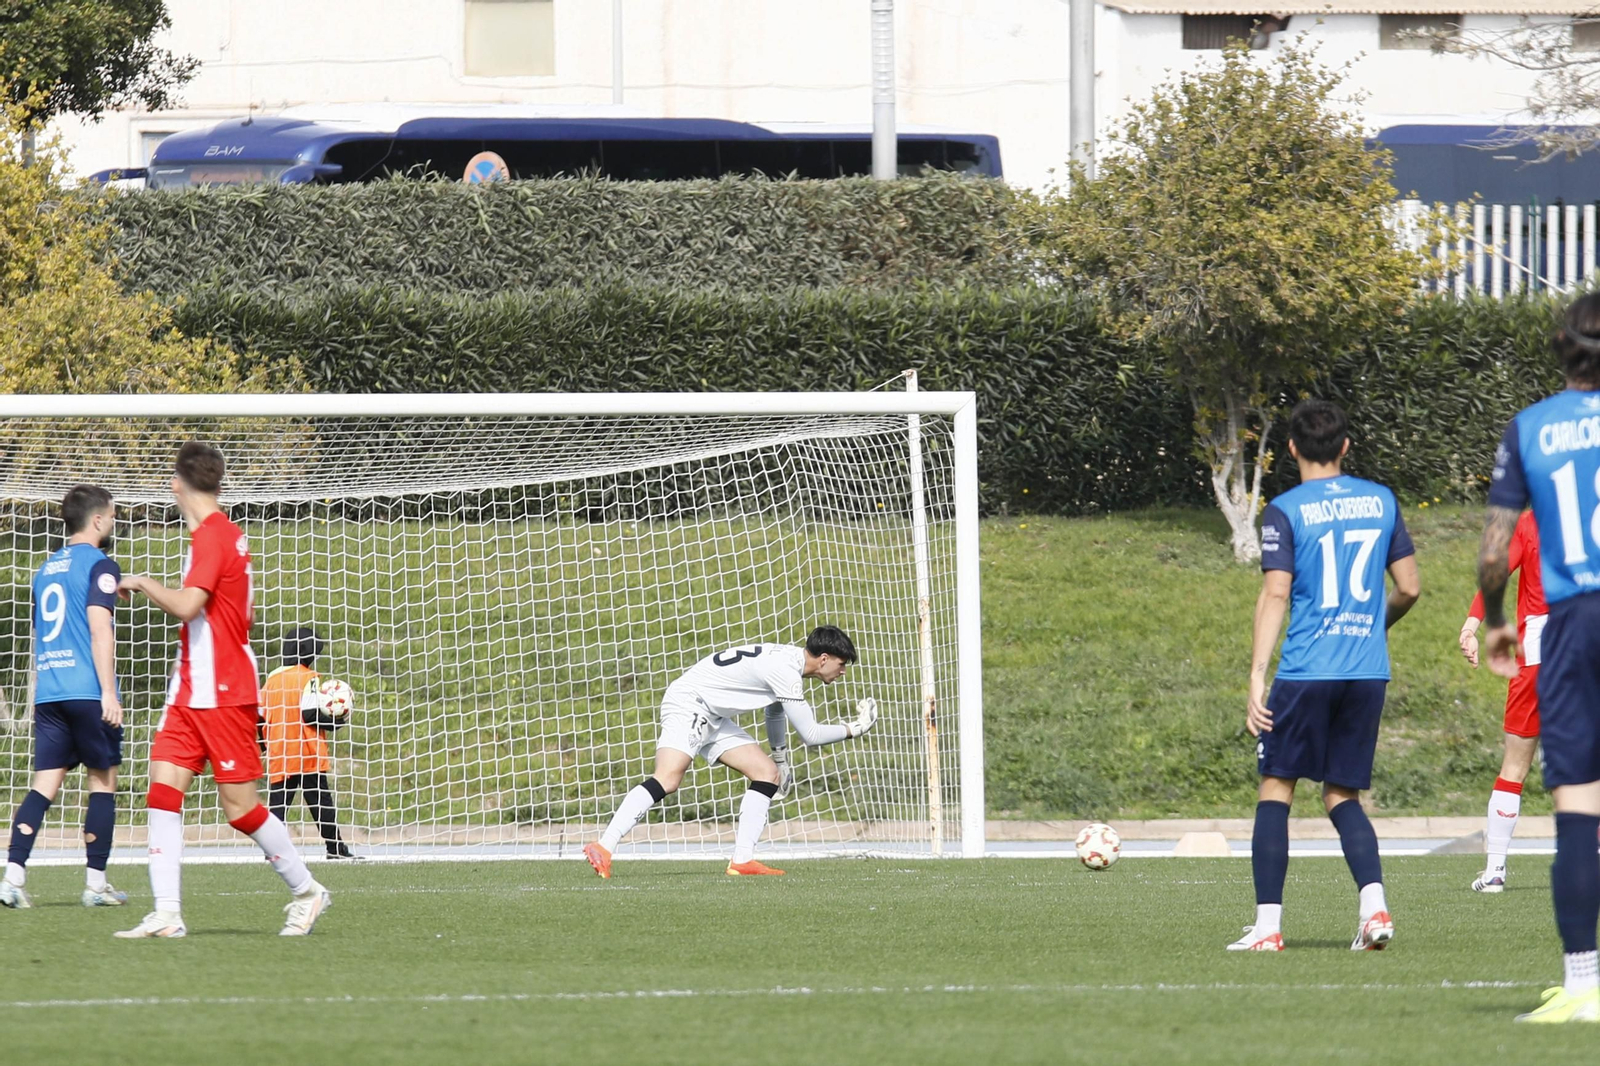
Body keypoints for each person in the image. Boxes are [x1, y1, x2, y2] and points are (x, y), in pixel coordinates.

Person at [114, 441, 331, 939]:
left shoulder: (214, 537)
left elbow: (190, 606)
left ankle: (308, 890)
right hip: (189, 690)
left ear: (176, 483)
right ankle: (167, 913)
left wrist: (145, 582)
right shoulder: (217, 535)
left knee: (240, 810)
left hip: (226, 690)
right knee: (163, 793)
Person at [1230, 399, 1420, 952]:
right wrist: (1371, 628)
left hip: (1308, 669)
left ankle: (1267, 928)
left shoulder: (1286, 510)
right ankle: (1374, 908)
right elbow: (1409, 586)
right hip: (1366, 671)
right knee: (1343, 795)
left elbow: (1276, 592)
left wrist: (1256, 677)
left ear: (1291, 449)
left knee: (1276, 788)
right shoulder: (1381, 500)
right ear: (1345, 447)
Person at [1480, 293, 1600, 1023]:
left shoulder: (1530, 428)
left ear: (1559, 344)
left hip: (1572, 624)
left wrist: (1494, 621)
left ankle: (1583, 985)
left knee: (1577, 810)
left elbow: (1496, 552)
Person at [583, 626, 876, 878]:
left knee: (766, 774)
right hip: (690, 704)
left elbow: (774, 712)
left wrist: (780, 759)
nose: (843, 671)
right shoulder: (785, 671)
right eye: (841, 664)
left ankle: (742, 860)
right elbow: (811, 734)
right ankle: (604, 846)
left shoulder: (789, 662)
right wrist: (856, 728)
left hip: (714, 715)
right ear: (824, 659)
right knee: (668, 779)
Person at [1, 485, 128, 909]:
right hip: (88, 690)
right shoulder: (101, 563)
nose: (112, 523)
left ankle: (12, 878)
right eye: (110, 516)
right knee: (102, 782)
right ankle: (95, 885)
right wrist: (108, 691)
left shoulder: (46, 568)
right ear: (97, 520)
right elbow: (98, 627)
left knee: (44, 786)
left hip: (50, 691)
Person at [1459, 509, 1546, 893]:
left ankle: (1495, 870)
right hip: (1585, 655)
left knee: (1514, 766)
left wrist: (1471, 625)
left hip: (1536, 659)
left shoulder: (1531, 522)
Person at [262, 627, 355, 860]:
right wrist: (338, 720)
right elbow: (311, 714)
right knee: (321, 803)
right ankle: (335, 848)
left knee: (278, 806)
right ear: (306, 654)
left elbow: (259, 715)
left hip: (281, 751)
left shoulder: (271, 679)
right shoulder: (309, 678)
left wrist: (264, 744)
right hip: (306, 752)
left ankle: (271, 850)